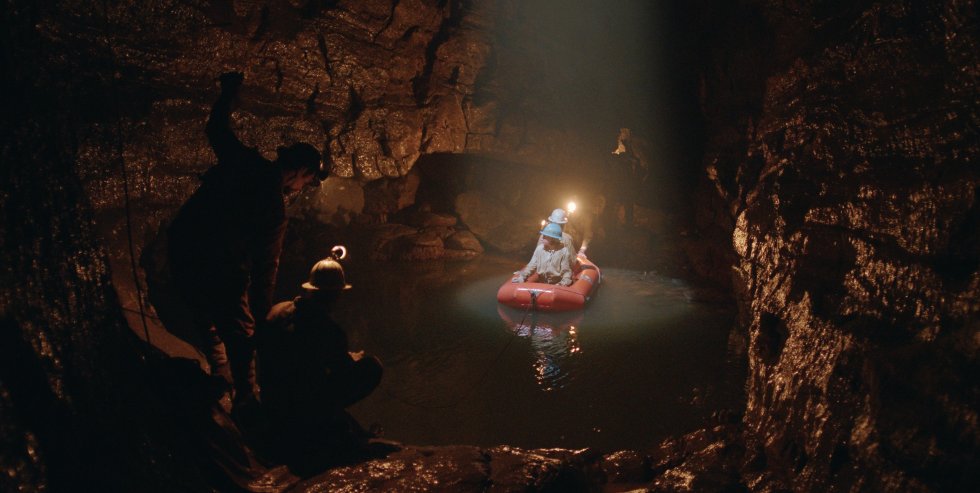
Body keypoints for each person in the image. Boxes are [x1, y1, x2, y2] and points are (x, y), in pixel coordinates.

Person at [167, 71, 324, 409]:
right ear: (301, 173)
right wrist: (262, 316)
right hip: (221, 264)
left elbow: (216, 129)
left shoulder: (243, 161)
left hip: (183, 248)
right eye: (306, 182)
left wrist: (228, 92)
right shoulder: (274, 209)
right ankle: (245, 399)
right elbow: (265, 268)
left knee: (205, 314)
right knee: (241, 332)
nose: (300, 189)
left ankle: (218, 375)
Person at [258, 250, 384, 473]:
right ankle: (327, 426)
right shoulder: (329, 330)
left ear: (309, 288)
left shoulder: (277, 310)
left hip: (270, 400)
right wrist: (352, 359)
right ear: (337, 294)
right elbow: (342, 372)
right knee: (372, 367)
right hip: (301, 409)